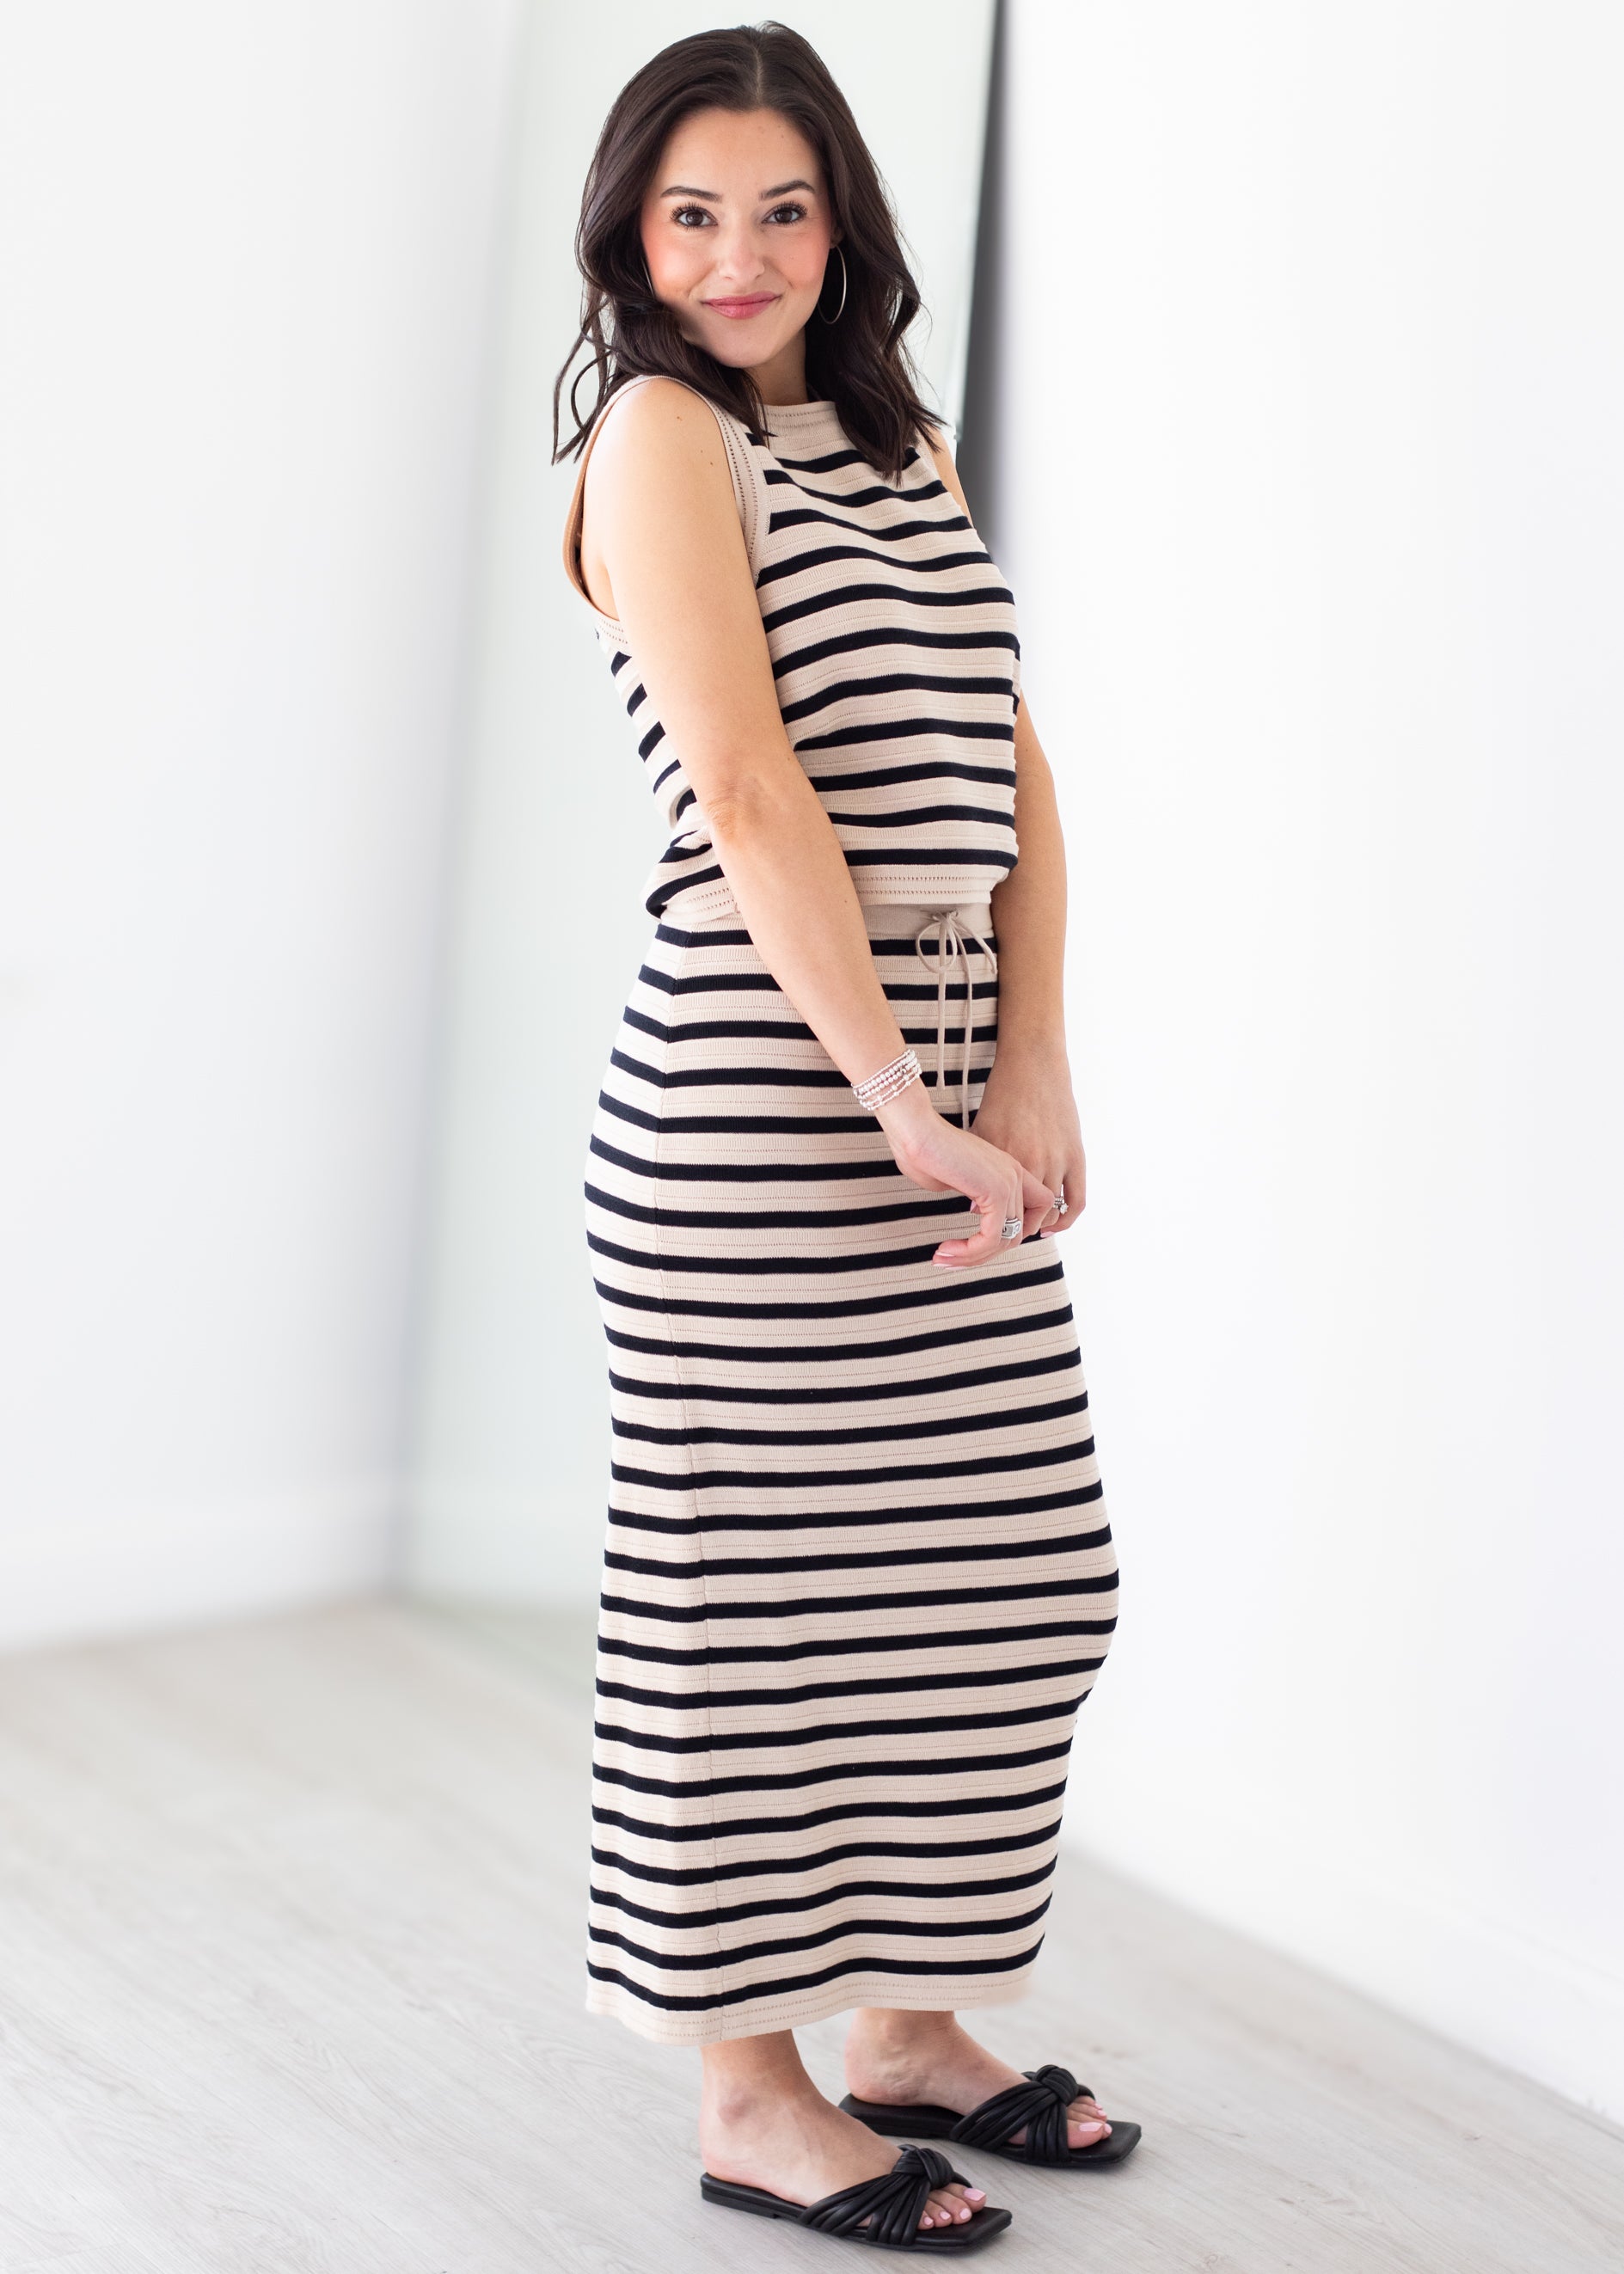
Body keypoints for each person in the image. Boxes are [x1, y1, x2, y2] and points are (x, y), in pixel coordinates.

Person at [556, 22, 1135, 2251]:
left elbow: (1019, 777)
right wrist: (894, 1086)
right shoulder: (655, 438)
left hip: (949, 1073)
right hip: (756, 1093)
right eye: (690, 211)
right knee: (759, 1606)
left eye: (780, 208)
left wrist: (1030, 1068)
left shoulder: (895, 441)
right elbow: (746, 792)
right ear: (630, 227)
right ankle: (744, 2086)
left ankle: (906, 2025)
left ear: (840, 224)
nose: (735, 255)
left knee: (1014, 1575)